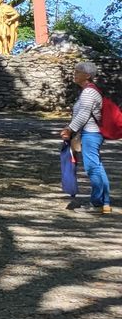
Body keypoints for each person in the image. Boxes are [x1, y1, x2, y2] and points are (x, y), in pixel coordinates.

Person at [65, 62, 112, 214]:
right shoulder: (88, 91)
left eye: (78, 71)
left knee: (93, 169)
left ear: (87, 75)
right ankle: (105, 203)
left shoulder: (89, 93)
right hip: (91, 133)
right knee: (97, 168)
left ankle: (97, 203)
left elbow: (84, 114)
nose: (75, 73)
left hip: (91, 134)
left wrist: (69, 129)